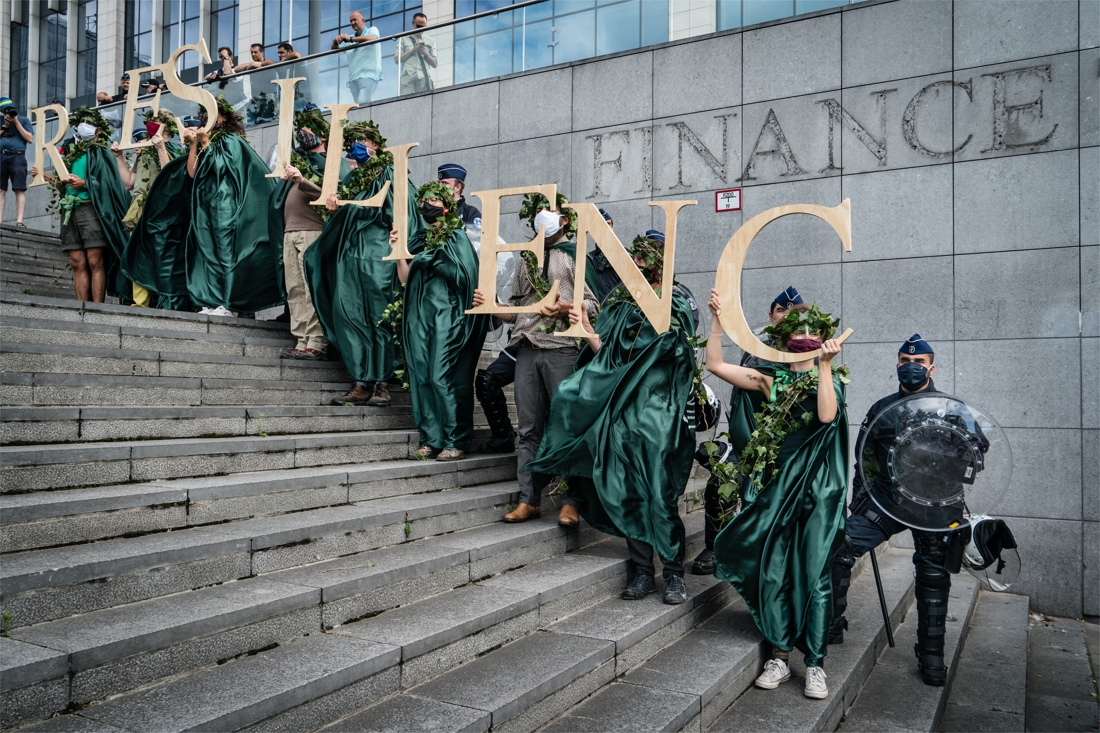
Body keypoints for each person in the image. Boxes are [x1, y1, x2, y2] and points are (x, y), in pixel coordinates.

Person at [526, 233, 698, 605]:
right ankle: (641, 571)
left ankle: (673, 574)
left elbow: (676, 354)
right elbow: (608, 359)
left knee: (659, 495)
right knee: (629, 491)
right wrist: (588, 330)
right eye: (634, 259)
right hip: (623, 415)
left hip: (659, 415)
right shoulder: (619, 306)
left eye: (644, 259)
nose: (636, 265)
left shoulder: (677, 303)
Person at [706, 292, 848, 701]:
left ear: (823, 338)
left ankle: (816, 665)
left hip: (817, 491)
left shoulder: (832, 379)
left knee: (816, 575)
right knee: (776, 570)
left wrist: (824, 365)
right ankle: (781, 657)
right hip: (777, 487)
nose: (803, 335)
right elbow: (715, 365)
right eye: (796, 329)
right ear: (782, 337)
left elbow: (825, 416)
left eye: (812, 331)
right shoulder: (771, 379)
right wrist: (718, 321)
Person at [830, 334, 970, 687]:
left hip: (935, 506)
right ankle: (831, 624)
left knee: (934, 572)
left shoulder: (952, 408)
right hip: (888, 503)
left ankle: (932, 655)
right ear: (897, 365)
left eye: (919, 363)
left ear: (931, 367)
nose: (911, 368)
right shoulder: (883, 408)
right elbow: (864, 461)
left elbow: (974, 456)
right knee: (839, 545)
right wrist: (862, 504)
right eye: (905, 362)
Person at [474, 192, 598, 526]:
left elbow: (593, 305)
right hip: (526, 348)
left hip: (563, 349)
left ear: (565, 219)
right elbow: (517, 310)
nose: (543, 216)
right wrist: (494, 306)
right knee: (528, 428)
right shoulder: (524, 258)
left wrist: (565, 307)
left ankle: (571, 501)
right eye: (540, 211)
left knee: (569, 425)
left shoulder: (574, 256)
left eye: (551, 211)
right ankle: (528, 499)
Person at [304, 121, 423, 407]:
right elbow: (344, 222)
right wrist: (334, 210)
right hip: (351, 259)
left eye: (362, 141)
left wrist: (400, 246)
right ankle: (361, 380)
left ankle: (382, 382)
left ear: (376, 147)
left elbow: (403, 214)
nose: (355, 147)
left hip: (378, 258)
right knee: (351, 317)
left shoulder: (390, 173)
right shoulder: (354, 181)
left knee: (380, 319)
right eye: (353, 141)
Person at [692, 284, 805, 576]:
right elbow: (720, 371)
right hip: (749, 446)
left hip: (787, 457)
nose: (786, 316)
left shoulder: (809, 361)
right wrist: (718, 318)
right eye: (781, 310)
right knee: (722, 482)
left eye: (793, 312)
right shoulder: (754, 352)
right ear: (771, 315)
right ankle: (715, 545)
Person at [398, 182, 488, 460]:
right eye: (426, 199)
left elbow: (465, 279)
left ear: (447, 206)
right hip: (420, 317)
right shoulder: (418, 240)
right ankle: (431, 439)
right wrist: (399, 250)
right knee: (422, 375)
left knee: (441, 376)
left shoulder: (457, 238)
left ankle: (455, 439)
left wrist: (435, 261)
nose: (429, 204)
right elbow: (404, 279)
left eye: (435, 199)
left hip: (448, 317)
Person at [181, 96, 282, 315]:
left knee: (226, 253)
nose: (207, 118)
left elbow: (220, 167)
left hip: (226, 205)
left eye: (213, 114)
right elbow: (192, 172)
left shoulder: (231, 140)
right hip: (206, 205)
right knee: (208, 252)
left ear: (224, 117)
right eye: (205, 114)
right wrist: (194, 144)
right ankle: (212, 299)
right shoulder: (207, 141)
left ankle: (227, 303)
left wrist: (206, 143)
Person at [31, 107, 132, 303]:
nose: (83, 127)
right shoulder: (73, 154)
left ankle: (97, 307)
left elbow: (113, 186)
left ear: (99, 130)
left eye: (89, 123)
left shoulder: (103, 152)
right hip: (70, 210)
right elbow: (64, 184)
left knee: (95, 260)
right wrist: (45, 176)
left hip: (91, 209)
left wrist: (86, 184)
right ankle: (81, 307)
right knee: (76, 262)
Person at [272, 103, 349, 360]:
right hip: (290, 232)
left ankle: (316, 341)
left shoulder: (330, 162)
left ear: (323, 135)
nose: (303, 132)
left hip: (313, 231)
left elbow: (334, 198)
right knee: (294, 288)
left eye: (308, 128)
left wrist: (302, 181)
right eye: (301, 128)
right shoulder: (300, 160)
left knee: (310, 287)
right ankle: (301, 338)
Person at [114, 111, 181, 308]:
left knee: (162, 254)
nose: (151, 124)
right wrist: (118, 157)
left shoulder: (176, 149)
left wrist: (161, 148)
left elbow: (171, 176)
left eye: (156, 121)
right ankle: (139, 302)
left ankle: (165, 301)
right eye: (150, 121)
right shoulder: (144, 151)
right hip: (139, 209)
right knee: (138, 254)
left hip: (162, 210)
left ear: (166, 126)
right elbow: (129, 183)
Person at [332, 11, 382, 105]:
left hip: (368, 76)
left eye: (355, 20)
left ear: (363, 20)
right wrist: (335, 41)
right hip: (353, 79)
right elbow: (334, 50)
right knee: (358, 107)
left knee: (362, 103)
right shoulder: (349, 38)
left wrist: (351, 40)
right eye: (351, 21)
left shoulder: (371, 30)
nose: (352, 23)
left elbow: (373, 38)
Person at [0, 97, 33, 228]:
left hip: (18, 156)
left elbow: (29, 139)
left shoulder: (24, 120)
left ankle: (20, 221)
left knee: (19, 189)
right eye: (5, 111)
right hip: (1, 155)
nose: (8, 113)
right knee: (1, 190)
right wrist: (5, 126)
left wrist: (16, 122)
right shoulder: (1, 120)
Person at [395, 13, 436, 95]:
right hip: (408, 75)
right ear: (413, 23)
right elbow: (397, 59)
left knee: (423, 103)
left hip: (423, 76)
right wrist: (412, 51)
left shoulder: (430, 41)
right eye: (418, 26)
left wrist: (426, 53)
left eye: (423, 27)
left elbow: (435, 64)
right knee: (403, 103)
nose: (421, 29)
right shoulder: (402, 39)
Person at [436, 163, 481, 228]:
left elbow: (476, 236)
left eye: (444, 183)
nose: (439, 187)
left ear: (458, 187)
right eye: (438, 183)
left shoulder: (471, 212)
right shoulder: (433, 211)